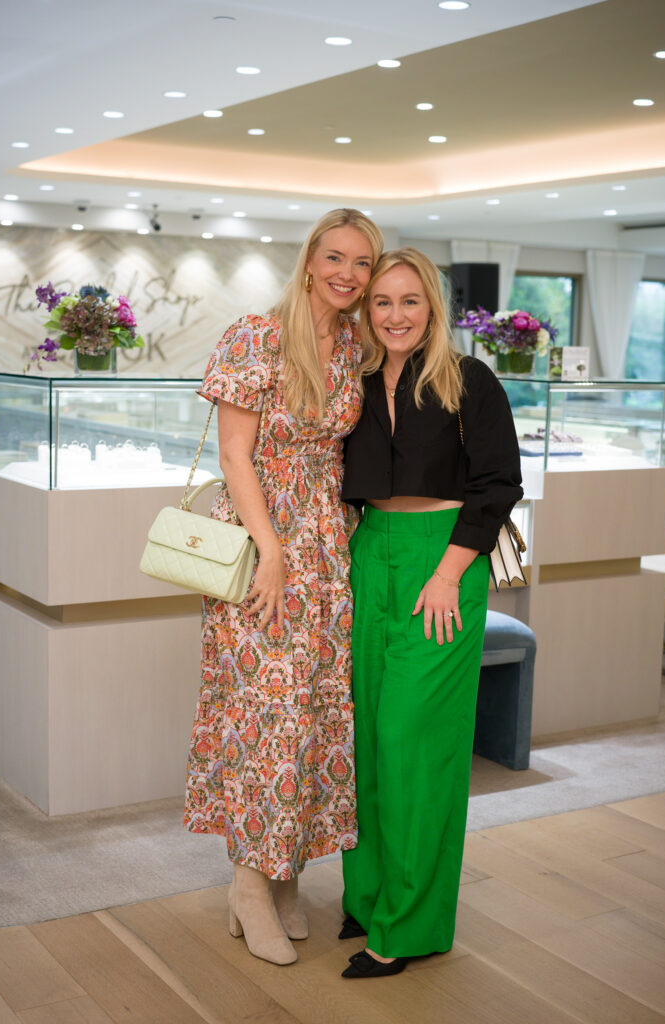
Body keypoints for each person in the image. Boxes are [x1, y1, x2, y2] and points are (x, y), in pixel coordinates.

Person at [183, 209, 384, 966]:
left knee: (315, 716)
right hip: (264, 543)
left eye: (362, 263)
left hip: (328, 550)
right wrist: (270, 550)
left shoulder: (355, 345)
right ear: (309, 261)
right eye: (336, 257)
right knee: (264, 718)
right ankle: (247, 882)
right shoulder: (255, 335)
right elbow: (236, 456)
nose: (348, 274)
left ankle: (287, 870)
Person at [338, 247, 523, 978]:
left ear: (433, 308)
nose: (395, 315)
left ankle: (409, 924)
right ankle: (370, 894)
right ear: (365, 309)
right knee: (368, 739)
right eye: (382, 302)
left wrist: (450, 570)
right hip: (367, 554)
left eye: (410, 301)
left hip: (442, 562)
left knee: (415, 743)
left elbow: (499, 480)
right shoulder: (350, 381)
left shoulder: (469, 378)